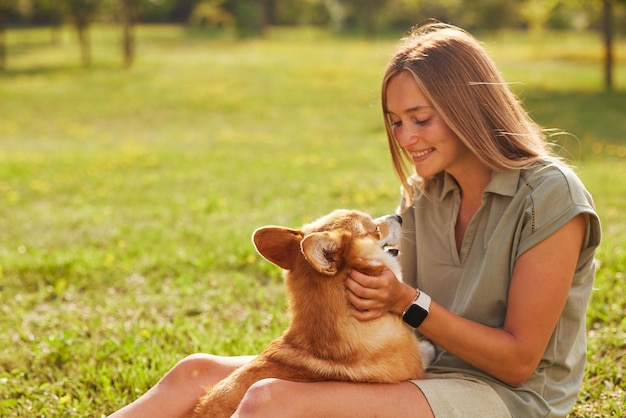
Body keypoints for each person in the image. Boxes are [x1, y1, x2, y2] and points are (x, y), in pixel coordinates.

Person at [109, 22, 601, 418]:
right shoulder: (425, 194)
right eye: (395, 121)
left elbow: (518, 363)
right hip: (419, 372)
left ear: (467, 108)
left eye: (421, 118)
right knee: (195, 373)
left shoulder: (549, 195)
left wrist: (408, 302)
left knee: (270, 403)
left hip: (506, 398)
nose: (406, 137)